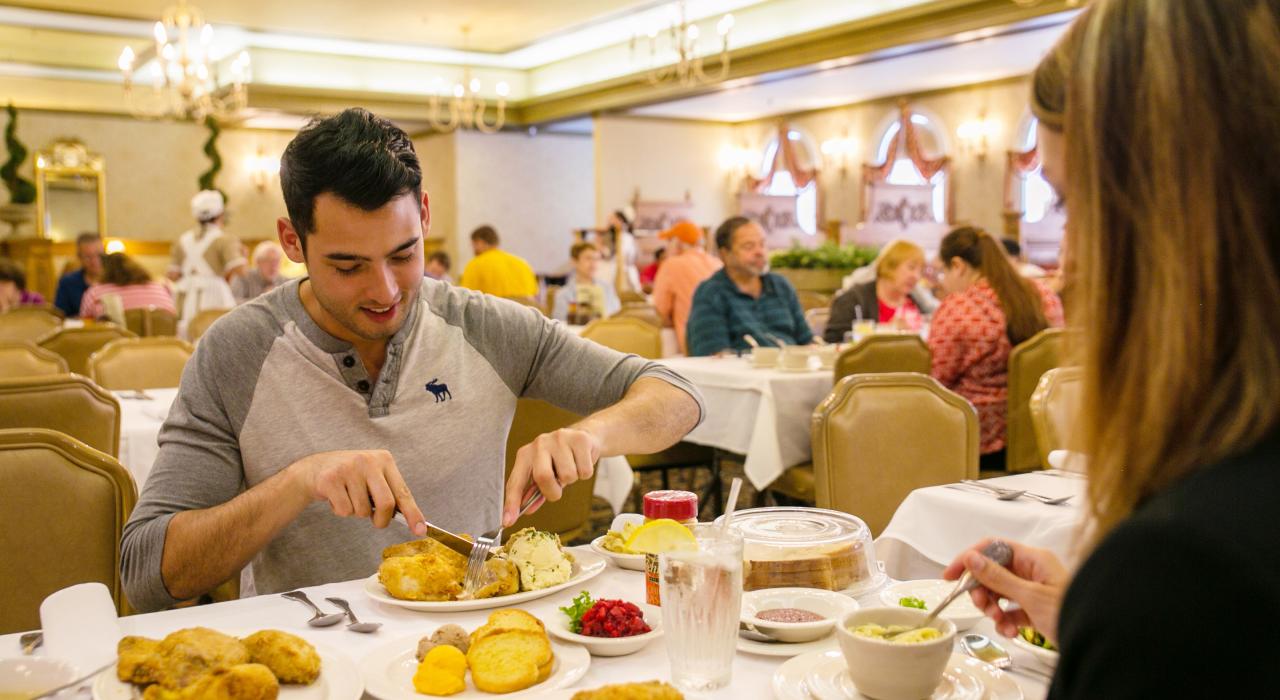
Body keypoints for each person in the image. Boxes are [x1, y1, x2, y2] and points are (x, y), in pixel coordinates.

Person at [119, 108, 703, 612]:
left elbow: (677, 394)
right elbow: (148, 575)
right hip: (315, 658)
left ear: (424, 214)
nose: (385, 291)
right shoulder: (235, 352)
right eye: (347, 266)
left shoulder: (485, 325)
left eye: (404, 255)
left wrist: (592, 437)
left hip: (473, 643)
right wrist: (297, 482)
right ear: (292, 241)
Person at [945, 3, 1279, 696]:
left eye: (1071, 206)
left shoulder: (1187, 568)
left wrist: (1131, 610)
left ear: (1176, 214)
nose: (1064, 268)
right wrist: (1091, 616)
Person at [928, 226, 1063, 471]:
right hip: (1041, 431)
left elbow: (937, 381)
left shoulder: (960, 308)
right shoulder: (1044, 296)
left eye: (942, 272)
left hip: (980, 441)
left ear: (958, 265)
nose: (943, 283)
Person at [685, 216, 813, 356]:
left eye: (762, 244)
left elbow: (807, 341)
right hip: (743, 374)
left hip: (792, 372)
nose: (760, 252)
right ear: (724, 254)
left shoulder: (781, 286)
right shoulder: (711, 293)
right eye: (749, 246)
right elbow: (714, 356)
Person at [823, 239, 930, 343]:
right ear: (889, 266)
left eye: (920, 271)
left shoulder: (917, 301)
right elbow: (832, 338)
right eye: (911, 267)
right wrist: (886, 330)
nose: (916, 276)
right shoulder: (853, 299)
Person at [169, 190, 246, 319]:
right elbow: (240, 269)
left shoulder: (181, 240)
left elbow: (173, 275)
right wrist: (243, 256)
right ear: (220, 215)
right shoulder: (224, 239)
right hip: (215, 296)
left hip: (186, 297)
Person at [651, 220, 722, 354]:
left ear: (678, 244)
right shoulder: (718, 263)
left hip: (693, 344)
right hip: (723, 342)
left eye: (669, 241)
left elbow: (661, 312)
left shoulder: (671, 265)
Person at [79, 252, 176, 319]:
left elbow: (85, 324)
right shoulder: (159, 287)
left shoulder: (95, 292)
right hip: (164, 345)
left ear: (105, 271)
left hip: (117, 346)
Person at [456, 225, 538, 298]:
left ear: (480, 242)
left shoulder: (475, 264)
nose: (472, 249)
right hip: (524, 313)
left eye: (473, 245)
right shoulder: (522, 263)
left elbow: (466, 297)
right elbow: (534, 294)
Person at [551, 242, 620, 324]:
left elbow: (617, 316)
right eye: (588, 258)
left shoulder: (607, 289)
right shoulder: (563, 295)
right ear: (574, 261)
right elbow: (559, 327)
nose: (593, 263)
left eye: (596, 259)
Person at [53, 232, 104, 317]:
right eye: (88, 257)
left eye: (99, 255)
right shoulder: (67, 283)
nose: (95, 261)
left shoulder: (116, 280)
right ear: (79, 258)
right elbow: (59, 316)